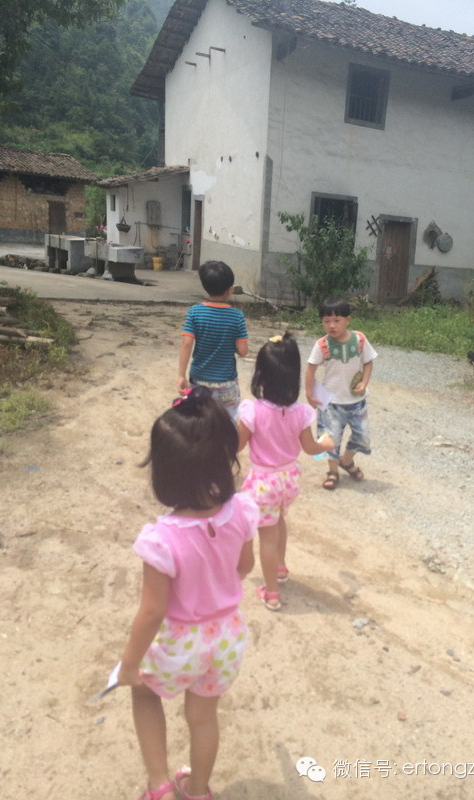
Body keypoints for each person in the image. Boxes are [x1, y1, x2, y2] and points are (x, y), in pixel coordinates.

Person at [117, 387, 258, 800]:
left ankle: (159, 784)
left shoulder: (162, 539)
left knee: (144, 692)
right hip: (227, 636)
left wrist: (129, 664)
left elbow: (152, 612)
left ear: (163, 472)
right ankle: (198, 791)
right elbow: (244, 567)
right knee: (203, 717)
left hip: (183, 642)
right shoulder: (241, 511)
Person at [237, 332, 334, 611]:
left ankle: (271, 593)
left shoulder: (253, 411)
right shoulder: (300, 412)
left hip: (263, 483)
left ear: (261, 376)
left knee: (267, 536)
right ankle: (279, 567)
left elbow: (237, 445)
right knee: (279, 520)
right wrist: (326, 444)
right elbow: (310, 448)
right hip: (289, 480)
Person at [305, 298, 378, 491]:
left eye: (337, 320)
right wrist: (309, 394)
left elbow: (368, 362)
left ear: (348, 320)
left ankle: (345, 461)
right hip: (330, 402)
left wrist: (364, 382)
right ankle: (332, 472)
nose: (332, 325)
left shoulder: (360, 340)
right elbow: (311, 369)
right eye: (326, 321)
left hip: (357, 401)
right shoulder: (322, 345)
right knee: (330, 439)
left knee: (363, 436)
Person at [178, 260, 248, 420]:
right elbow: (243, 351)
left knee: (200, 421)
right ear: (230, 290)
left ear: (205, 287)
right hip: (226, 382)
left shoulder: (194, 312)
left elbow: (186, 344)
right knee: (227, 423)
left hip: (199, 381)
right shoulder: (237, 316)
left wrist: (181, 375)